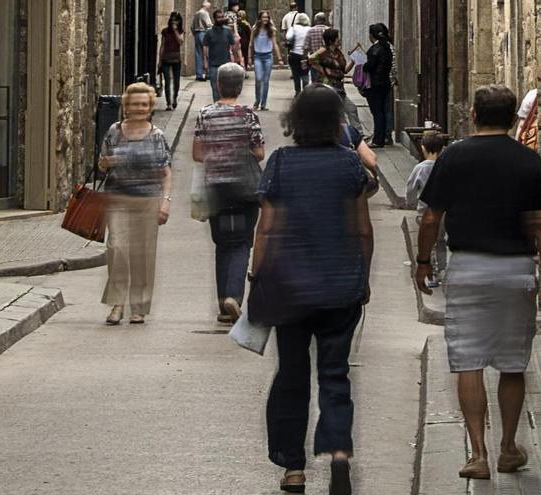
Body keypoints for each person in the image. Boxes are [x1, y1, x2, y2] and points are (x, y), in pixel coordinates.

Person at [414, 85, 541, 480]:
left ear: (474, 116)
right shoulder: (527, 161)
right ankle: (508, 447)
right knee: (513, 364)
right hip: (515, 270)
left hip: (467, 268)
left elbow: (432, 217)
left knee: (469, 362)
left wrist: (423, 261)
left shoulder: (453, 156)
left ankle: (477, 454)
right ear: (511, 115)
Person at [253, 83, 373, 495]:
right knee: (335, 372)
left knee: (291, 372)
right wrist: (364, 276)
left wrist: (256, 276)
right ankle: (339, 451)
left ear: (295, 122)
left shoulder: (282, 163)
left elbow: (266, 229)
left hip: (291, 289)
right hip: (341, 287)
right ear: (337, 121)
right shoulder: (348, 165)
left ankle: (294, 468)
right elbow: (362, 229)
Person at [191, 63, 266, 323]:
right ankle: (234, 296)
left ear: (218, 85)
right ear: (239, 87)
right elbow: (259, 153)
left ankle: (224, 303)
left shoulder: (204, 114)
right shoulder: (247, 115)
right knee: (242, 243)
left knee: (223, 244)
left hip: (217, 190)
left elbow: (197, 154)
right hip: (245, 191)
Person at [97, 82, 172, 325]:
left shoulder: (157, 135)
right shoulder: (114, 131)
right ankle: (117, 304)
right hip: (118, 198)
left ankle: (138, 307)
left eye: (144, 104)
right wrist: (106, 163)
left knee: (143, 255)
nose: (139, 108)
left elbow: (165, 172)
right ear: (125, 106)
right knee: (116, 249)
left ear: (150, 107)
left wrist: (165, 202)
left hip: (148, 200)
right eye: (134, 104)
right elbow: (100, 165)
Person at [405, 128, 450, 285]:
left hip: (424, 211)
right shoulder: (446, 166)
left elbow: (411, 187)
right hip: (444, 212)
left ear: (423, 148)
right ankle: (443, 270)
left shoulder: (420, 168)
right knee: (441, 241)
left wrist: (410, 202)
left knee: (428, 241)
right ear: (442, 148)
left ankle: (431, 274)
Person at [307, 28, 364, 134]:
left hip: (339, 87)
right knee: (340, 113)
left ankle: (358, 134)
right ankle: (347, 136)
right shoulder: (323, 51)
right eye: (337, 38)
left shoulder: (339, 53)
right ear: (331, 40)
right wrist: (324, 70)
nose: (339, 40)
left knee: (351, 109)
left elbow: (344, 70)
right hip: (329, 86)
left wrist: (353, 62)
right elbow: (310, 60)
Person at [363, 24, 393, 148]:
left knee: (377, 112)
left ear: (371, 36)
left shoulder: (375, 49)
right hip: (385, 83)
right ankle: (381, 137)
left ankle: (378, 139)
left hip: (375, 84)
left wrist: (363, 65)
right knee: (382, 111)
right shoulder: (387, 48)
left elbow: (369, 66)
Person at [250, 10, 283, 111]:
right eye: (263, 17)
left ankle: (263, 104)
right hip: (257, 57)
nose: (265, 19)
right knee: (258, 79)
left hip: (268, 57)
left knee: (265, 81)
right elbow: (251, 44)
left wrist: (280, 58)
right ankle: (257, 100)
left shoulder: (271, 29)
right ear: (259, 18)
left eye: (267, 17)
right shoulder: (254, 29)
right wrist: (249, 58)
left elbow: (275, 44)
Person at [203, 10, 238, 102]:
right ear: (214, 19)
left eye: (222, 17)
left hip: (226, 65)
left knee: (225, 89)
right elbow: (205, 47)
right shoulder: (209, 32)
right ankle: (216, 107)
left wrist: (236, 60)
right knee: (215, 89)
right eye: (218, 17)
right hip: (213, 65)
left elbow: (233, 46)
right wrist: (205, 62)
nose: (221, 19)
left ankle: (224, 106)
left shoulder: (228, 31)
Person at [158, 12, 185, 111]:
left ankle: (174, 98)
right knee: (167, 81)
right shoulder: (165, 31)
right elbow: (162, 45)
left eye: (176, 20)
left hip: (176, 59)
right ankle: (168, 103)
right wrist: (160, 60)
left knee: (176, 82)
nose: (174, 22)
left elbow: (180, 42)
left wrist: (175, 31)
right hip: (166, 58)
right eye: (173, 20)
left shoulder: (181, 31)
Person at [375, 23, 397, 145]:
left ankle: (386, 134)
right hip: (388, 81)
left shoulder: (383, 47)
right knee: (386, 108)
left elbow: (392, 66)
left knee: (384, 109)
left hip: (383, 81)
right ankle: (386, 134)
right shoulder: (389, 46)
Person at [285, 13, 311, 95]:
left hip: (294, 54)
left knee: (295, 74)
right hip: (305, 55)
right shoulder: (309, 29)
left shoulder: (294, 28)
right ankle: (305, 91)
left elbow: (288, 37)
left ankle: (297, 91)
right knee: (305, 74)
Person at [302, 12, 329, 83]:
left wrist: (305, 58)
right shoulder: (329, 30)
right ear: (325, 20)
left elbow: (306, 47)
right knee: (326, 79)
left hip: (314, 59)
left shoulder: (310, 31)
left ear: (315, 20)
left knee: (315, 80)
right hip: (327, 59)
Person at [191, 2, 212, 82]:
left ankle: (199, 74)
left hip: (197, 34)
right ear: (207, 7)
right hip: (204, 33)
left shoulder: (196, 13)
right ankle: (208, 73)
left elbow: (192, 26)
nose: (210, 8)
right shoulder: (205, 13)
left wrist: (195, 33)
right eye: (209, 7)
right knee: (207, 53)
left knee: (198, 54)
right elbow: (209, 25)